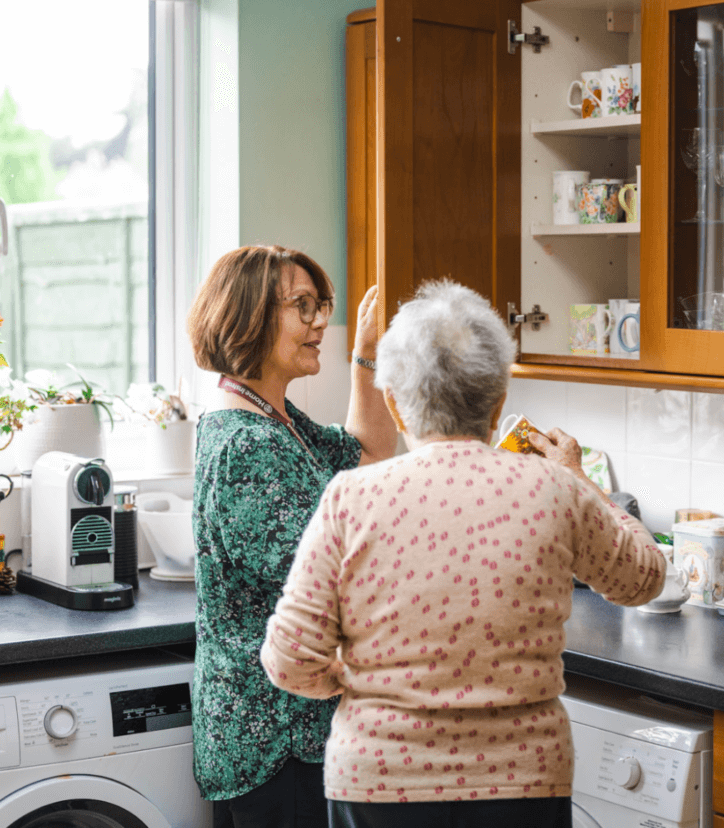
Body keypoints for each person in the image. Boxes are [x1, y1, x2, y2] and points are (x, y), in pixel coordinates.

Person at [260, 279, 666, 828]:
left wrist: (367, 678)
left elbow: (289, 660)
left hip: (379, 779)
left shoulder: (351, 499)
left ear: (396, 408)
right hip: (521, 782)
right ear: (499, 404)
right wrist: (582, 479)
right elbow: (643, 578)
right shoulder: (555, 489)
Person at [186, 245, 397, 828]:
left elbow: (370, 450)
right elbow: (332, 592)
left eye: (320, 305)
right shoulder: (250, 447)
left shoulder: (272, 419)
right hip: (275, 743)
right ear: (250, 315)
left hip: (283, 735)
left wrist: (366, 358)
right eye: (301, 307)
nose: (318, 321)